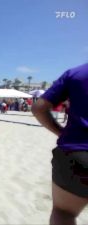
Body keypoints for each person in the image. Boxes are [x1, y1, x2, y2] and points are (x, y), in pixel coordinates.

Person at [32, 63, 88, 225]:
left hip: (78, 152)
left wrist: (61, 132)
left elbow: (38, 108)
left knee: (64, 213)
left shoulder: (77, 73)